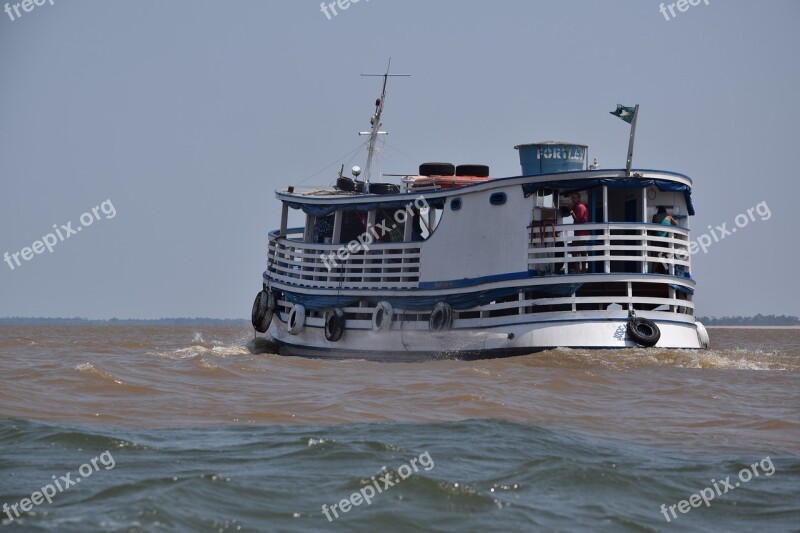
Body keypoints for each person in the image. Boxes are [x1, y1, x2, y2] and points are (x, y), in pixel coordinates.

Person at [651, 206, 677, 273]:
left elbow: (653, 224)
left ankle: (653, 272)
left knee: (656, 257)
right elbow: (675, 224)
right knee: (665, 257)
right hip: (666, 240)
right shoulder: (669, 216)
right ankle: (666, 272)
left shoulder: (655, 216)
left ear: (658, 211)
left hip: (658, 239)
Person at [569, 192, 589, 273]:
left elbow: (577, 220)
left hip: (581, 234)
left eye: (574, 198)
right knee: (581, 251)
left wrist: (571, 211)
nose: (572, 200)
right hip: (580, 234)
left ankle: (579, 270)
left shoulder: (580, 207)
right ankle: (582, 269)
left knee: (575, 251)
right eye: (572, 198)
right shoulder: (578, 207)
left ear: (578, 198)